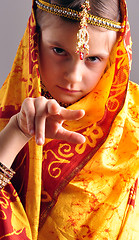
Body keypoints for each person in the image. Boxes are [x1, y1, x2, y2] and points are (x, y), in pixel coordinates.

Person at [0, 0, 139, 239]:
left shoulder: (133, 124)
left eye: (93, 58)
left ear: (116, 54)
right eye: (59, 51)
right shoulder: (7, 118)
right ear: (33, 39)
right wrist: (16, 133)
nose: (73, 76)